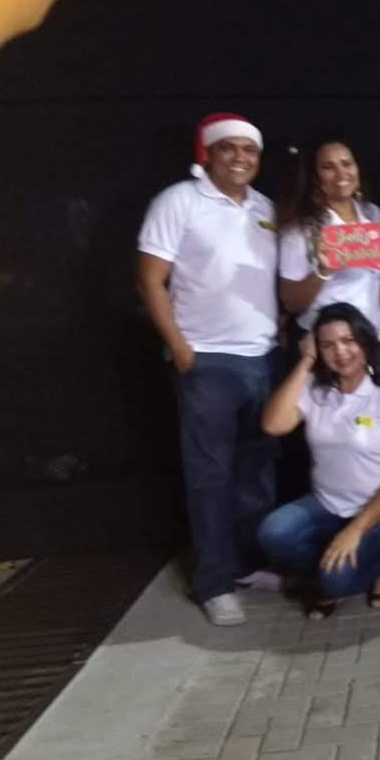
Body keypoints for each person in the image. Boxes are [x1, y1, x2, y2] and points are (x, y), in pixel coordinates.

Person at [136, 112, 279, 626]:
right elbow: (150, 279)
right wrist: (179, 347)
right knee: (210, 477)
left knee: (256, 473)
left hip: (262, 357)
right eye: (229, 148)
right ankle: (214, 584)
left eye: (249, 149)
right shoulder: (178, 201)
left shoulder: (266, 208)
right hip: (208, 359)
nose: (240, 157)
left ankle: (247, 566)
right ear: (209, 153)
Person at [257, 303, 380, 617]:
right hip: (327, 505)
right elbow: (273, 425)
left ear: (365, 342)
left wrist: (354, 530)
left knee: (336, 581)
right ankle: (330, 567)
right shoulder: (315, 389)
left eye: (348, 340)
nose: (340, 352)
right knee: (272, 534)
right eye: (327, 345)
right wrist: (306, 361)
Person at [277, 136, 380, 374]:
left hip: (378, 336)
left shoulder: (374, 215)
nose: (341, 173)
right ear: (315, 177)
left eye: (347, 163)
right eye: (328, 167)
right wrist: (324, 270)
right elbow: (290, 302)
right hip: (332, 345)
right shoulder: (300, 229)